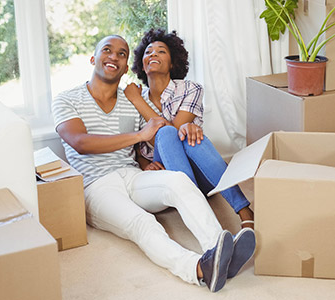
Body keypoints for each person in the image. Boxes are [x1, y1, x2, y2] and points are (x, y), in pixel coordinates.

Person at [51, 35, 254, 292]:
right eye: (107, 50)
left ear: (126, 69)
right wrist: (140, 135)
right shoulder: (66, 99)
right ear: (93, 58)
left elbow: (147, 142)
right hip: (96, 185)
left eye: (121, 54)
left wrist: (145, 163)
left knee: (178, 181)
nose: (114, 56)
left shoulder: (134, 102)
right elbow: (80, 142)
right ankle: (199, 269)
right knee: (143, 223)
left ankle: (219, 249)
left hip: (132, 175)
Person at [124, 29, 255, 230]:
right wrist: (143, 163)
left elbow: (172, 134)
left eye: (161, 51)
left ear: (173, 62)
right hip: (163, 175)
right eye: (148, 52)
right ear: (142, 64)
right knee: (173, 132)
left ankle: (243, 210)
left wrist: (137, 101)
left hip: (201, 173)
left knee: (183, 133)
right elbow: (133, 141)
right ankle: (205, 216)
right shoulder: (134, 95)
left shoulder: (190, 89)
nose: (153, 54)